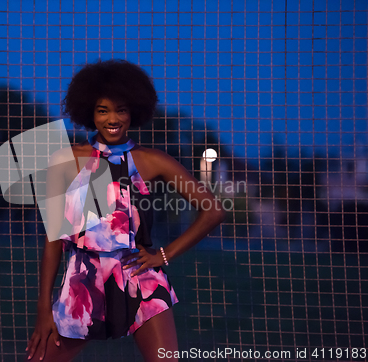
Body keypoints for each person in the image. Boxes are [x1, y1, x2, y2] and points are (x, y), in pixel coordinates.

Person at [25, 59, 226, 362]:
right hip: (84, 281)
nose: (112, 118)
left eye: (121, 109)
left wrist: (163, 255)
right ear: (89, 113)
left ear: (133, 111)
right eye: (102, 110)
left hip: (141, 278)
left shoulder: (152, 160)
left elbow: (213, 211)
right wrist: (44, 309)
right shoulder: (65, 161)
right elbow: (53, 239)